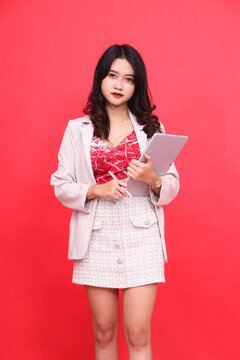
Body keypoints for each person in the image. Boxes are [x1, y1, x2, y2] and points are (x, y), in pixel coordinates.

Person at [50, 44, 180, 360]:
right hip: (96, 234)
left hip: (141, 232)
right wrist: (97, 191)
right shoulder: (76, 129)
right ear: (101, 78)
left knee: (138, 334)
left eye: (129, 79)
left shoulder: (152, 128)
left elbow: (172, 186)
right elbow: (60, 184)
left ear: (137, 85)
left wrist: (152, 178)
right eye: (112, 75)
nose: (119, 85)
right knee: (104, 332)